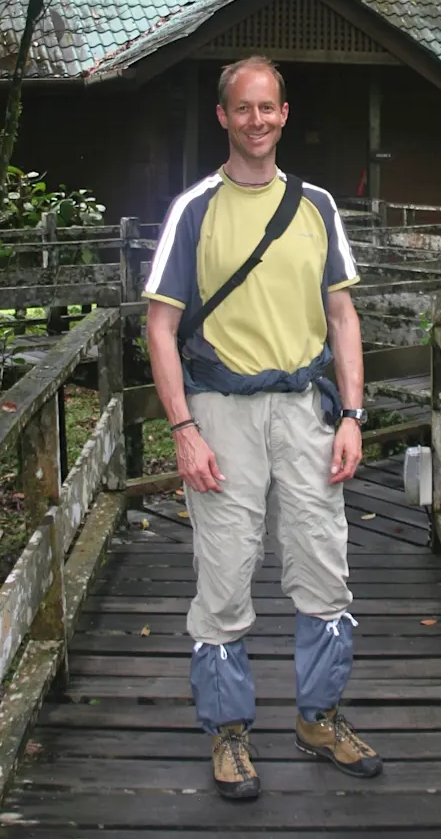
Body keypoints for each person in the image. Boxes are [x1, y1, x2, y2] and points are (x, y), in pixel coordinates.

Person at [143, 56, 383, 801]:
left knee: (323, 565)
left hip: (307, 411)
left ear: (284, 114)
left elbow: (343, 316)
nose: (256, 120)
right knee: (223, 572)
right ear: (224, 116)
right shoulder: (194, 210)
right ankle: (228, 730)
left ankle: (319, 716)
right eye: (242, 108)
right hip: (221, 413)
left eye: (268, 108)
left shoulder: (316, 208)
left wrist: (352, 414)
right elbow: (160, 327)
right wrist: (183, 427)